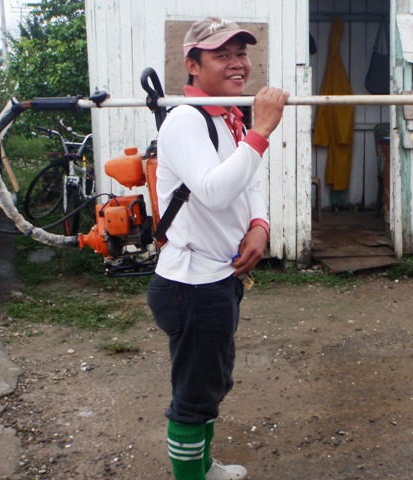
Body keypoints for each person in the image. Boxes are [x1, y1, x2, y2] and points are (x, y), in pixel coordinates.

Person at [147, 17, 289, 480]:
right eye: (222, 55)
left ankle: (202, 467)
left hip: (218, 277)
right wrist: (262, 130)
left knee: (213, 382)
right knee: (194, 395)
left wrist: (260, 225)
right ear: (192, 64)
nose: (237, 63)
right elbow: (213, 191)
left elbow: (246, 184)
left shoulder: (226, 117)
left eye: (241, 53)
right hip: (190, 284)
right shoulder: (186, 121)